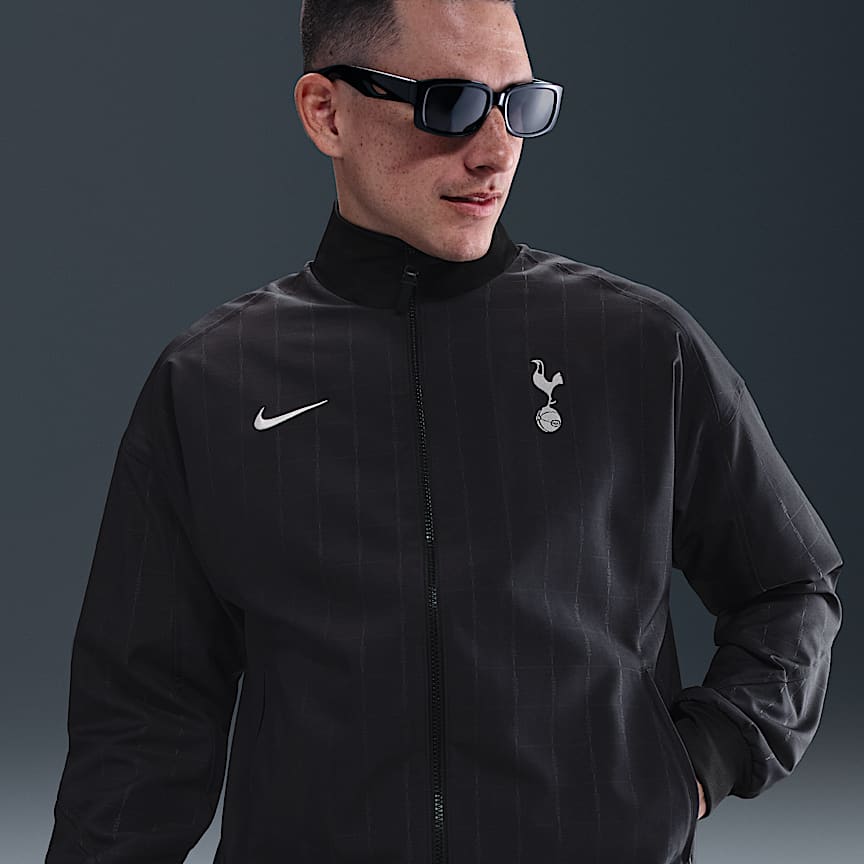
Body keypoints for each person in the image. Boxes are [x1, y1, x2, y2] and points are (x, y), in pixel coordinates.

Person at [45, 1, 843, 862]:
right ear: (326, 112)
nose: (497, 151)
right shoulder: (211, 380)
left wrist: (698, 764)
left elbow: (790, 586)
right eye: (450, 104)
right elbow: (142, 717)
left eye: (519, 105)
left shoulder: (640, 348)